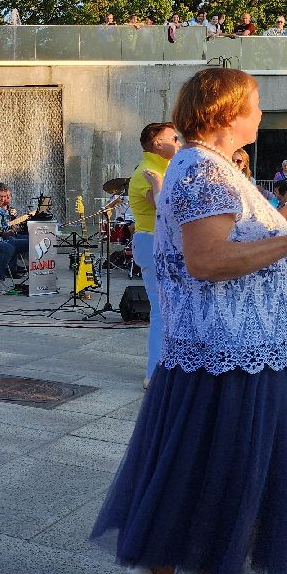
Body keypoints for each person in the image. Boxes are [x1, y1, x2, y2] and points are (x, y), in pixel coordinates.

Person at [89, 68, 287, 574]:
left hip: (231, 348)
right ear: (226, 112)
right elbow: (206, 259)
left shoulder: (213, 169)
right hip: (230, 349)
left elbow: (241, 233)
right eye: (254, 105)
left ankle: (162, 567)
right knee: (237, 473)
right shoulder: (202, 168)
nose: (261, 114)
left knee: (199, 466)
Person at [129, 121, 183, 387]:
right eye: (173, 137)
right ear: (157, 143)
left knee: (172, 310)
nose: (178, 141)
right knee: (162, 311)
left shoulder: (166, 168)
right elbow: (165, 209)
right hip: (153, 243)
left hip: (165, 244)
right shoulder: (147, 172)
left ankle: (169, 368)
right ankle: (155, 373)